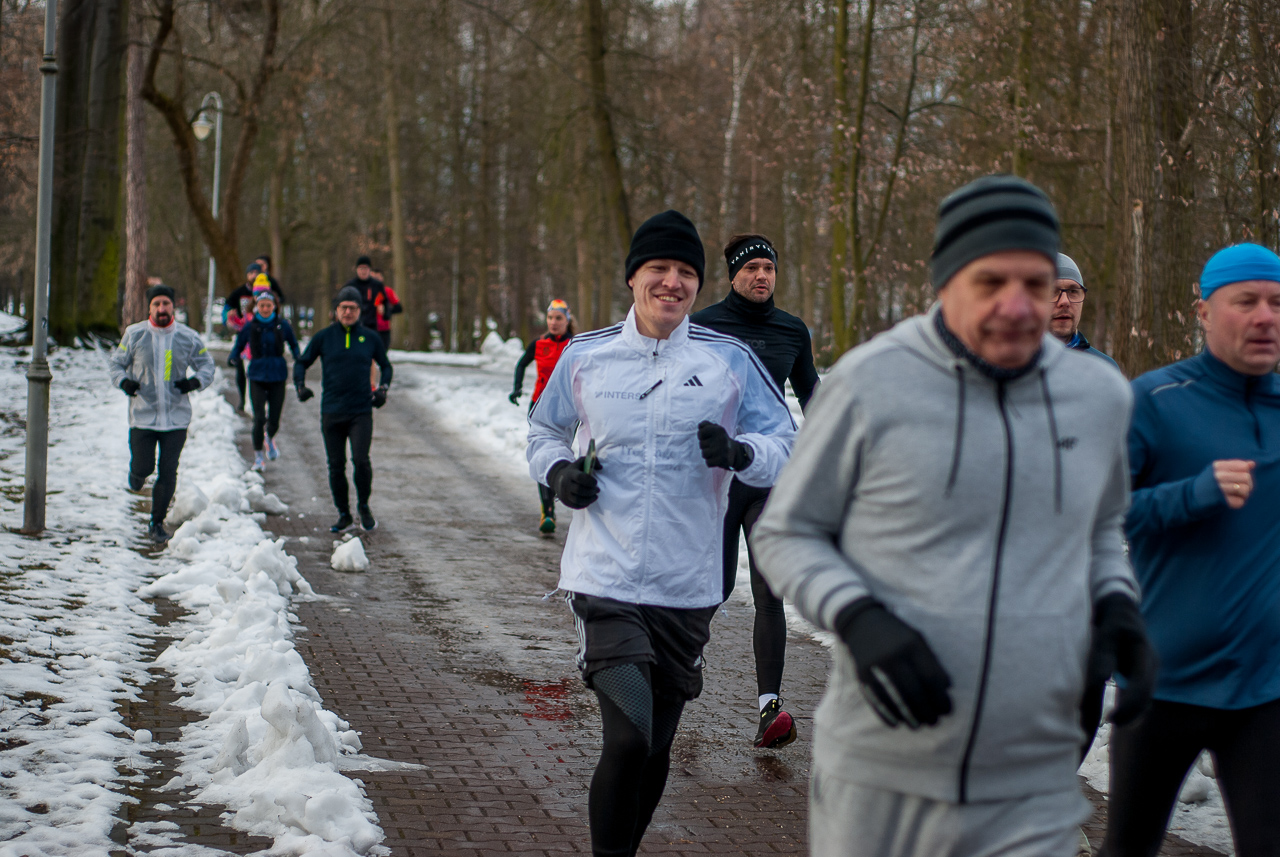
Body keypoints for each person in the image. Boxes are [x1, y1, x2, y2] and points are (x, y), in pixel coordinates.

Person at [752, 175, 1157, 857]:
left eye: (1036, 280)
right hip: (886, 765)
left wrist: (1116, 603)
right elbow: (786, 530)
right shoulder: (870, 382)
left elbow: (1095, 533)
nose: (1017, 304)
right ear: (946, 279)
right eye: (989, 279)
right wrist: (858, 614)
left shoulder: (1095, 395)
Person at [527, 210, 796, 857]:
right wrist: (561, 474)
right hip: (605, 578)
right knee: (626, 736)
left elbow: (782, 439)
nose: (672, 282)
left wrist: (738, 453)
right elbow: (543, 431)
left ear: (697, 284)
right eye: (659, 269)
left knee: (653, 747)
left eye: (685, 272)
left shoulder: (726, 360)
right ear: (633, 278)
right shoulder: (587, 356)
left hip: (687, 585)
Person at [1100, 243, 1280, 857]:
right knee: (1129, 847)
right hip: (1164, 680)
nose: (1265, 317)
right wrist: (1191, 495)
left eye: (1278, 303)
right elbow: (1096, 513)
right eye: (1246, 302)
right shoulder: (1154, 400)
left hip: (1265, 687)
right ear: (1203, 311)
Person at [688, 233, 819, 750]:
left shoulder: (792, 331)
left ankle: (770, 708)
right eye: (752, 268)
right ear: (733, 275)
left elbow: (813, 395)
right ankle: (684, 660)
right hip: (717, 478)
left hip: (769, 479)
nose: (762, 276)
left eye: (769, 267)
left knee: (770, 590)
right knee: (712, 586)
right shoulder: (703, 327)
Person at [110, 284, 216, 543]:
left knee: (168, 472)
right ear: (149, 307)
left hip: (176, 418)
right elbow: (116, 364)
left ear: (173, 306)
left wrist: (194, 383)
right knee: (144, 467)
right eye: (156, 304)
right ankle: (136, 474)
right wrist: (124, 382)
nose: (161, 308)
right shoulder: (134, 335)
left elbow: (207, 365)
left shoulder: (188, 337)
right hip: (143, 416)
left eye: (165, 304)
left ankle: (156, 522)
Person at [294, 286, 393, 533]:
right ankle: (343, 513)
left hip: (360, 410)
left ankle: (364, 506)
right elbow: (302, 362)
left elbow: (386, 366)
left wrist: (383, 389)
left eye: (353, 308)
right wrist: (300, 386)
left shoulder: (370, 338)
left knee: (361, 460)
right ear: (336, 310)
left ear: (360, 311)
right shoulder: (324, 337)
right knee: (335, 466)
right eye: (343, 307)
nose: (348, 312)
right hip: (332, 411)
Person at [510, 298, 575, 535]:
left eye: (559, 318)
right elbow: (521, 365)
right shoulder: (539, 343)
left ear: (567, 320)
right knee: (543, 453)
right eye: (550, 318)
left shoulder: (575, 344)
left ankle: (563, 485)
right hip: (538, 406)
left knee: (563, 451)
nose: (554, 323)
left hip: (568, 408)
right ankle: (547, 511)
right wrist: (517, 388)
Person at [229, 284, 302, 471]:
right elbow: (239, 345)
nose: (265, 308)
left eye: (269, 305)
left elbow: (293, 344)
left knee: (275, 418)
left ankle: (270, 437)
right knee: (259, 417)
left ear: (274, 306)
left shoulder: (282, 325)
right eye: (262, 305)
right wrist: (234, 357)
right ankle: (259, 457)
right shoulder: (250, 326)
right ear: (257, 307)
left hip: (278, 373)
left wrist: (298, 357)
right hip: (257, 374)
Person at [1051, 253, 1119, 370]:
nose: (1065, 301)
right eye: (1053, 291)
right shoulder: (1013, 366)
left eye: (1073, 291)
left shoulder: (1105, 369)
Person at [224, 263, 261, 411]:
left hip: (261, 341)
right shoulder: (239, 292)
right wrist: (229, 320)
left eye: (257, 272)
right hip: (244, 340)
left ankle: (257, 401)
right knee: (242, 371)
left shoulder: (267, 293)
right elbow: (229, 310)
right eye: (251, 272)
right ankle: (244, 400)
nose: (254, 275)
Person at [370, 268, 403, 352]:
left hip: (384, 329)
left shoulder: (388, 291)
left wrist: (386, 310)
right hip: (370, 328)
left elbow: (399, 308)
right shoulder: (367, 292)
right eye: (374, 278)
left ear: (382, 278)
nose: (376, 280)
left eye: (378, 277)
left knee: (382, 355)